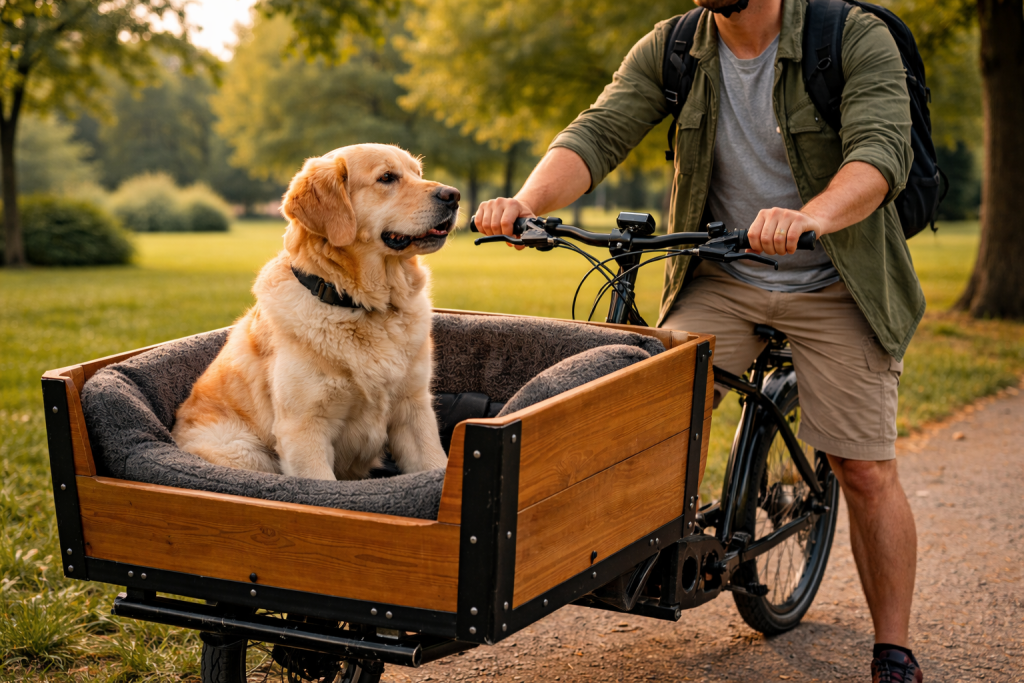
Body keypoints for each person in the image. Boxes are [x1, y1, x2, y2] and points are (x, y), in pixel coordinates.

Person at [473, 0, 924, 680]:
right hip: (721, 274)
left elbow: (881, 153)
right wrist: (527, 202)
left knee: (862, 468)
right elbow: (599, 131)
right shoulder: (675, 46)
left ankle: (894, 648)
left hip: (838, 279)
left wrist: (810, 217)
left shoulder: (851, 36)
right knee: (648, 413)